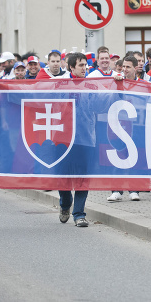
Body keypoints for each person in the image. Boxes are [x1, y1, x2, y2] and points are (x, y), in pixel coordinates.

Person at [55, 52, 90, 227]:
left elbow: (102, 105)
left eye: (86, 65)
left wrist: (119, 88)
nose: (85, 68)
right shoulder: (60, 84)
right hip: (63, 138)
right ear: (71, 67)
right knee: (64, 177)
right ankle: (65, 204)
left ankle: (79, 214)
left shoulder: (91, 85)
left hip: (85, 138)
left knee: (83, 177)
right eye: (81, 65)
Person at [107, 56, 145, 202]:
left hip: (138, 125)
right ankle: (116, 190)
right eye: (123, 67)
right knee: (119, 155)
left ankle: (134, 189)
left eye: (128, 67)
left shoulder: (142, 84)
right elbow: (110, 100)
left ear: (135, 68)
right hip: (120, 125)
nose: (124, 69)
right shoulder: (118, 83)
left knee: (136, 158)